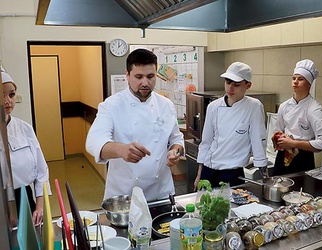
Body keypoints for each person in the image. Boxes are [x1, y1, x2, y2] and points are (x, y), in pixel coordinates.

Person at [86, 48, 184, 202]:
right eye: (138, 77)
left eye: (150, 76)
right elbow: (94, 142)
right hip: (125, 197)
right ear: (127, 75)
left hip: (161, 193)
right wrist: (121, 150)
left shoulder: (166, 105)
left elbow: (176, 140)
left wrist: (175, 152)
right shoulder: (111, 105)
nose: (145, 83)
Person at [194, 62, 268, 189]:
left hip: (232, 174)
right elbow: (206, 142)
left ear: (248, 85)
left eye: (236, 84)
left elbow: (258, 140)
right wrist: (199, 174)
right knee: (204, 207)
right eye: (228, 82)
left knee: (231, 208)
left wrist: (264, 175)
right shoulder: (214, 107)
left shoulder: (254, 106)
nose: (230, 88)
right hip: (209, 169)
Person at [2, 70, 51, 225]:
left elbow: (41, 172)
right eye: (1, 95)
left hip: (23, 199)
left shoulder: (25, 129)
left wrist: (40, 206)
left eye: (11, 94)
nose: (7, 101)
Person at [272, 59, 322, 176]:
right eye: (294, 78)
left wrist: (294, 143)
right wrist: (279, 138)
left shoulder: (314, 109)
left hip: (303, 159)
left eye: (300, 79)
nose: (295, 82)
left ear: (309, 83)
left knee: (300, 193)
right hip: (282, 157)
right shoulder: (284, 106)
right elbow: (276, 130)